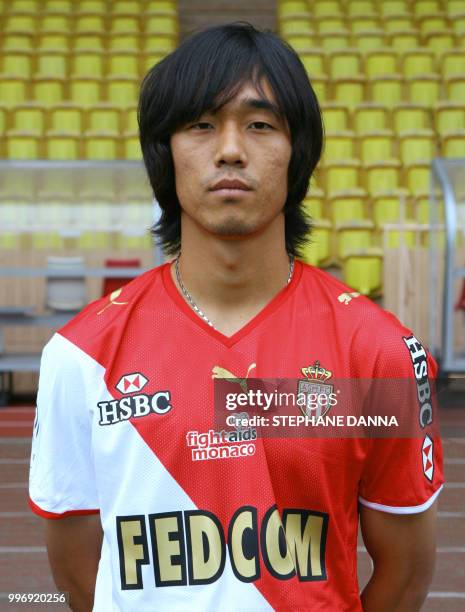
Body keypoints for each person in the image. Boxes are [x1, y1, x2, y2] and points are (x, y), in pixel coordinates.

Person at [29, 22, 444, 612]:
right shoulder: (78, 355)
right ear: (163, 152)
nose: (229, 149)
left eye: (260, 124)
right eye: (200, 125)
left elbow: (404, 574)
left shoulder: (379, 353)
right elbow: (77, 572)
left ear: (297, 151)